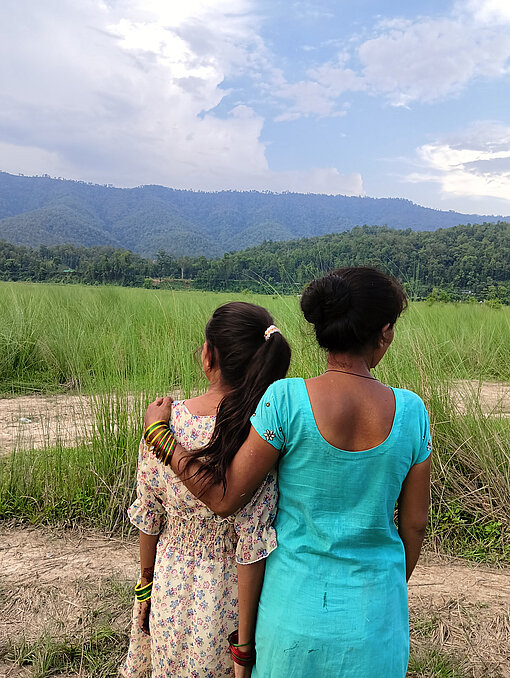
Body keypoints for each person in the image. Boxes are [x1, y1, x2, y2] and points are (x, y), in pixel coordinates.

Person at [145, 267, 432, 678]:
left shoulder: (286, 400)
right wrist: (385, 589)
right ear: (384, 332)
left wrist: (160, 435)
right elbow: (416, 525)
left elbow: (225, 498)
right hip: (376, 621)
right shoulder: (412, 412)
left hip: (291, 620)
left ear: (324, 328)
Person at [120, 301, 291, 678]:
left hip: (170, 579)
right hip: (228, 598)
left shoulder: (163, 422)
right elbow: (252, 543)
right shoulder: (261, 432)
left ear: (209, 356)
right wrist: (244, 645)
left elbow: (149, 515)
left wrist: (145, 585)